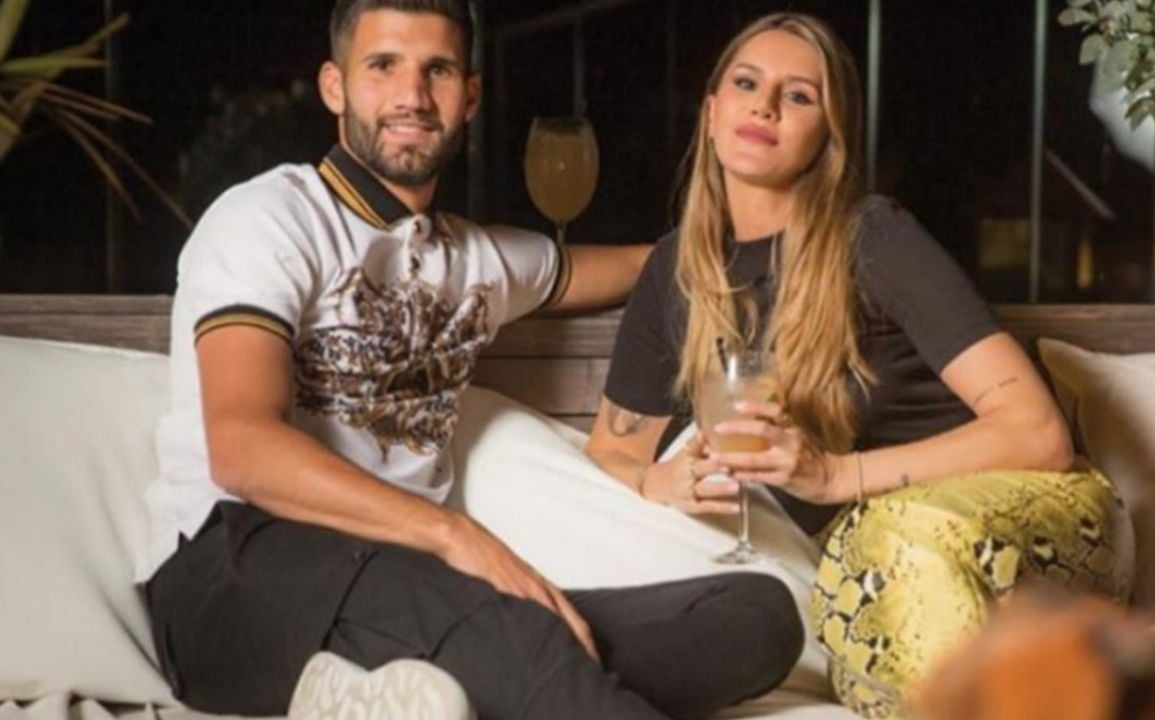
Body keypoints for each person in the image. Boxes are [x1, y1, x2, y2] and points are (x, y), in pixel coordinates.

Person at [138, 2, 804, 718]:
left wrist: (779, 243)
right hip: (236, 579)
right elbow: (243, 449)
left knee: (756, 617)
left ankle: (403, 695)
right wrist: (456, 538)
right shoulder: (268, 218)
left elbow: (649, 264)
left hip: (416, 595)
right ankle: (480, 668)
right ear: (335, 86)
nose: (413, 95)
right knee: (511, 634)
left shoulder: (474, 260)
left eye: (439, 70)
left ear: (471, 96)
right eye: (383, 65)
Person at [585, 11, 1134, 717]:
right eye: (746, 84)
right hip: (868, 555)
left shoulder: (874, 238)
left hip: (1045, 524)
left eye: (799, 95)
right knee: (868, 564)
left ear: (828, 136)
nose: (765, 105)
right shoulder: (675, 271)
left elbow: (1039, 434)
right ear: (712, 111)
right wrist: (659, 482)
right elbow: (611, 452)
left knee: (893, 546)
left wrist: (834, 476)